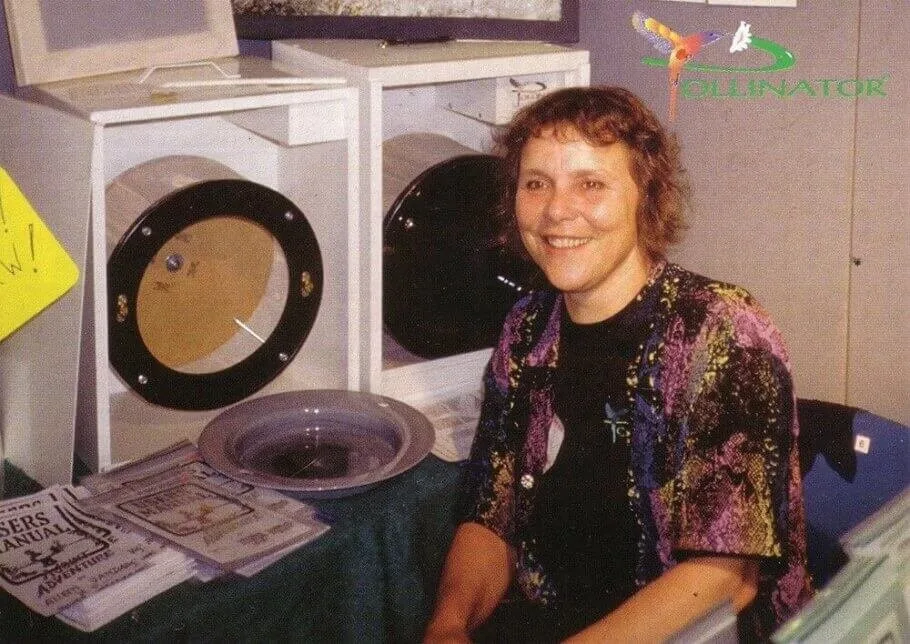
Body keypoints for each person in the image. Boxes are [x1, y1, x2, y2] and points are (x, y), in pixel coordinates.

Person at [423, 86, 813, 643]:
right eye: (537, 184)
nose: (557, 210)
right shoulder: (527, 328)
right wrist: (449, 624)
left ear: (645, 197)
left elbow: (727, 575)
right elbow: (493, 512)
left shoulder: (721, 332)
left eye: (591, 184)